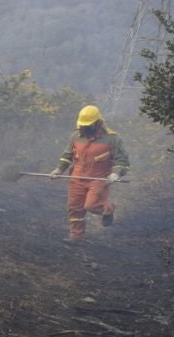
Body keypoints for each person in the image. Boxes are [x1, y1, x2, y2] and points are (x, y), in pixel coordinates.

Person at [49, 104, 129, 243]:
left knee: (91, 205)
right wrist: (59, 169)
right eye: (83, 125)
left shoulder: (112, 138)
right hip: (77, 178)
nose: (84, 128)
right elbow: (67, 155)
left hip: (98, 179)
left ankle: (108, 209)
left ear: (98, 123)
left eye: (88, 125)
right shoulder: (75, 136)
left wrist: (115, 174)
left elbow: (121, 160)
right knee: (75, 208)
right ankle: (76, 236)